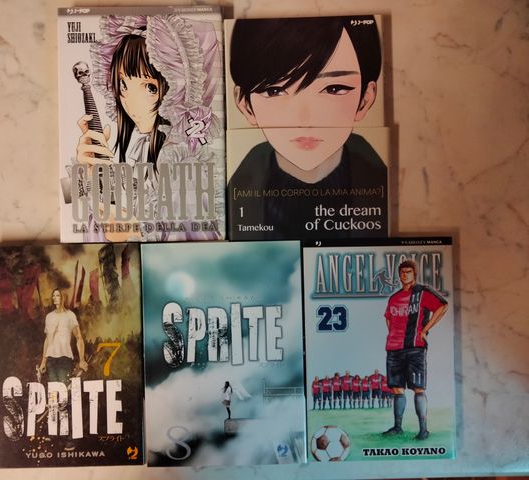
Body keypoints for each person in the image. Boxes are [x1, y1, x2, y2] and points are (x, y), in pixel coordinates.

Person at [228, 16, 387, 239]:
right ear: (245, 105)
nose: (305, 119)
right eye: (274, 91)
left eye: (334, 88)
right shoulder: (233, 200)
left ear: (365, 99)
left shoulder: (385, 188)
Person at [76, 14, 222, 242]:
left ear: (180, 91)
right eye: (123, 84)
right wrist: (89, 180)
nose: (130, 103)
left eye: (150, 88)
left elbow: (191, 251)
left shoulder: (186, 171)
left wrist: (131, 232)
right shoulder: (139, 155)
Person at [382, 260, 448, 440]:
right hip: (394, 349)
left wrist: (425, 330)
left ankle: (423, 429)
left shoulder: (422, 292)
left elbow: (443, 306)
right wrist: (393, 334)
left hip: (415, 348)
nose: (405, 275)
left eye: (408, 272)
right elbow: (388, 317)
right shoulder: (394, 298)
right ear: (399, 275)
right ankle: (397, 427)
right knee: (397, 389)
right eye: (402, 272)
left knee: (418, 388)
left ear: (414, 274)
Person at [39, 289, 88, 384]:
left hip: (64, 358)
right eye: (53, 295)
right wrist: (43, 361)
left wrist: (82, 360)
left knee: (63, 387)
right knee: (53, 389)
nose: (54, 298)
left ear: (63, 297)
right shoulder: (49, 317)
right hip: (51, 359)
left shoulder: (70, 315)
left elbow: (79, 337)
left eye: (57, 295)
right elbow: (47, 339)